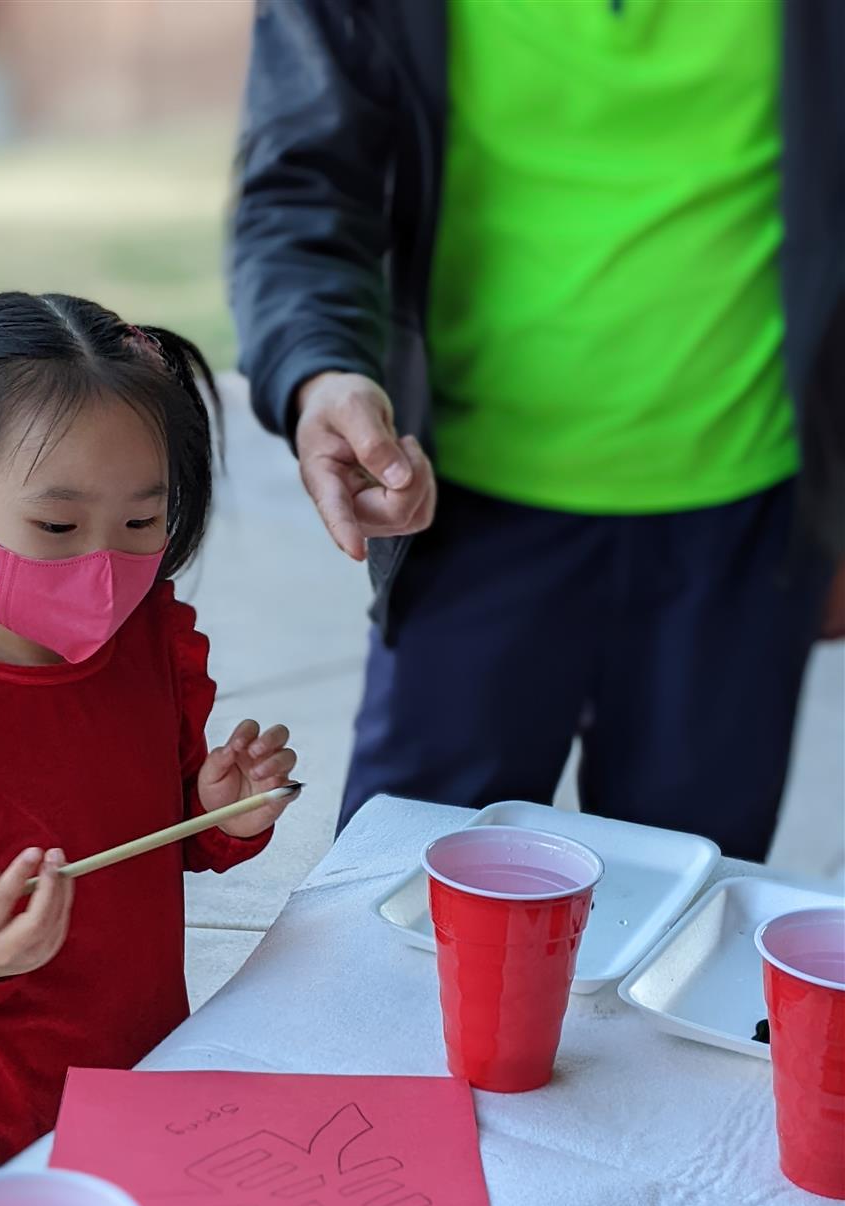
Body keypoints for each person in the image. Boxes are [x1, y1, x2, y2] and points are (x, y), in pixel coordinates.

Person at [230, 0, 845, 859]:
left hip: (747, 526)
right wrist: (321, 368)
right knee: (400, 916)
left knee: (683, 942)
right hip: (463, 515)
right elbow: (301, 184)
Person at [0, 292, 299, 1206]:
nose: (105, 565)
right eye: (56, 528)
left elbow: (160, 840)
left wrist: (220, 815)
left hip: (147, 1093)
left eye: (142, 523)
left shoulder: (146, 647)